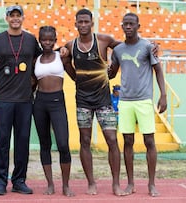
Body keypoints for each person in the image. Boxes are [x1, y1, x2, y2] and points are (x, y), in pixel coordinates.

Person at [64, 8, 126, 196]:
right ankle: (91, 182)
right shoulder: (70, 45)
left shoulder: (104, 40)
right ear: (75, 24)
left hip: (104, 100)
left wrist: (114, 68)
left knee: (112, 140)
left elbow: (125, 48)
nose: (83, 25)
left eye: (86, 22)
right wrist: (78, 79)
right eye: (79, 22)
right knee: (85, 141)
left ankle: (116, 184)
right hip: (83, 100)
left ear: (92, 23)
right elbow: (67, 63)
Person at [108, 12, 167, 197]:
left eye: (132, 24)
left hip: (144, 100)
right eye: (125, 24)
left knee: (149, 141)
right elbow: (112, 73)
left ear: (138, 26)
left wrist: (163, 94)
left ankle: (151, 184)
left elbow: (158, 70)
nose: (128, 27)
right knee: (127, 142)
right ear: (121, 26)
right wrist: (106, 70)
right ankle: (131, 183)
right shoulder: (118, 50)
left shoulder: (148, 47)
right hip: (125, 101)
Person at [0, 5, 42, 195]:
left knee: (22, 141)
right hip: (3, 98)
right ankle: (0, 182)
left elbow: (40, 60)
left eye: (18, 15)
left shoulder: (31, 39)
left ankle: (19, 180)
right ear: (7, 17)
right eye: (12, 15)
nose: (15, 18)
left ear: (23, 18)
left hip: (25, 99)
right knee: (2, 141)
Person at [33, 26, 76, 197]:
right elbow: (30, 82)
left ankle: (65, 185)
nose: (47, 42)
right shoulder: (35, 59)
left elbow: (74, 75)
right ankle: (50, 184)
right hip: (40, 103)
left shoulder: (62, 56)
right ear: (40, 40)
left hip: (57, 101)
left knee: (63, 144)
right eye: (44, 39)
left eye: (51, 39)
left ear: (55, 40)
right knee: (45, 144)